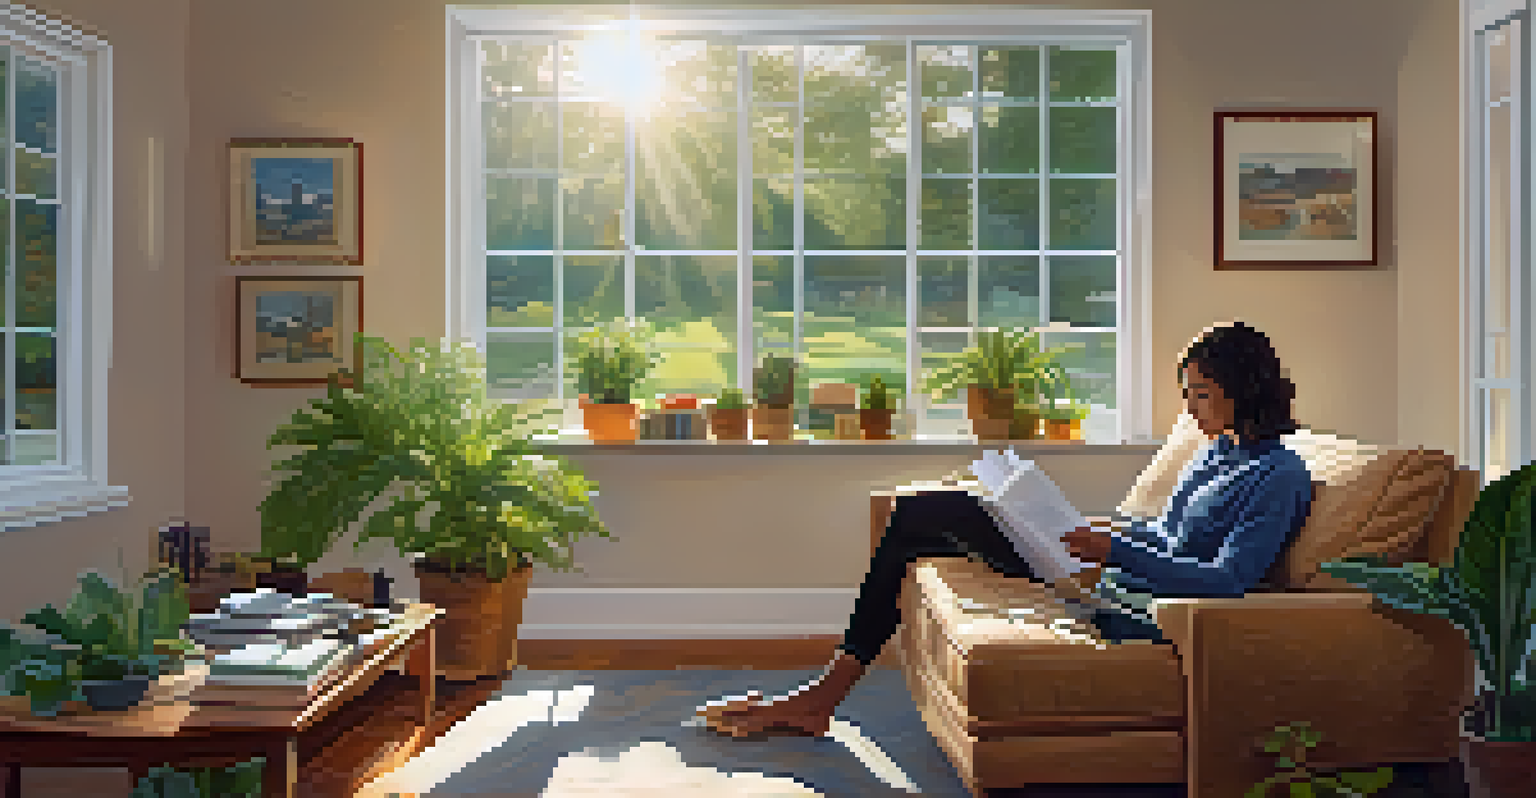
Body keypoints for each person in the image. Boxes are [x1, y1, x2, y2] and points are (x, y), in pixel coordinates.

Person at [698, 320, 1315, 739]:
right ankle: (822, 696)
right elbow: (1169, 534)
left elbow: (1228, 580)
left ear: (1243, 390)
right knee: (920, 517)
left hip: (1135, 606)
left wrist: (1114, 551)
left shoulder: (1279, 475)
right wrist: (1105, 531)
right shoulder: (1217, 450)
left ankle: (821, 697)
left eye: (1200, 394)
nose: (1189, 409)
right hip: (1109, 574)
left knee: (925, 516)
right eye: (1188, 394)